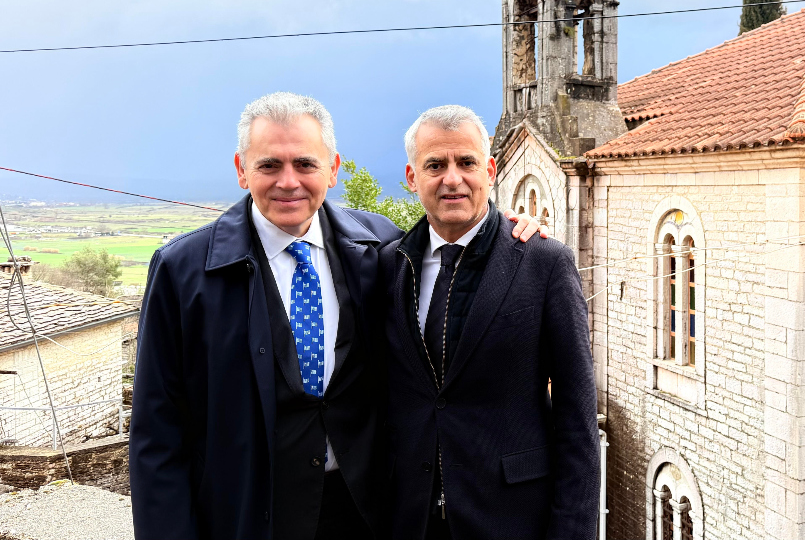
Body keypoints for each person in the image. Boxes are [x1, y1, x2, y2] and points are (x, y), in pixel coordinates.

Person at [130, 92, 544, 540]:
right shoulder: (184, 270)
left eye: (305, 164)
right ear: (241, 170)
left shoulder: (380, 247)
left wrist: (507, 232)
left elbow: (455, 244)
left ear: (332, 169)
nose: (288, 181)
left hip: (365, 514)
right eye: (269, 165)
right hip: (247, 516)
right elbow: (157, 431)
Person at [375, 105, 599, 540]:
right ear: (412, 177)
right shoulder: (390, 266)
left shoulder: (544, 263)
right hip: (410, 519)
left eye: (467, 162)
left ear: (490, 170)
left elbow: (577, 419)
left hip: (512, 520)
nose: (452, 179)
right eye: (435, 165)